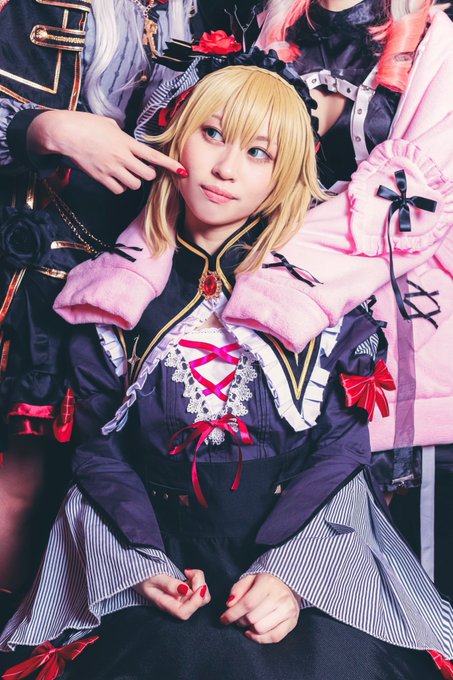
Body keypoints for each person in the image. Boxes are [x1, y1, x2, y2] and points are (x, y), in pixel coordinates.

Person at [1, 55, 451, 680]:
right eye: (212, 134)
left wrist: (290, 577)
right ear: (177, 137)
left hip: (295, 556)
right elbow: (100, 452)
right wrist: (141, 565)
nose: (225, 168)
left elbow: (339, 453)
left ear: (284, 175)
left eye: (258, 152)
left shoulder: (323, 301)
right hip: (158, 559)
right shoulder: (105, 297)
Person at [0, 0, 228, 597]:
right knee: (24, 481)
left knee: (101, 480)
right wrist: (43, 128)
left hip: (138, 280)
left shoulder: (190, 15)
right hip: (33, 282)